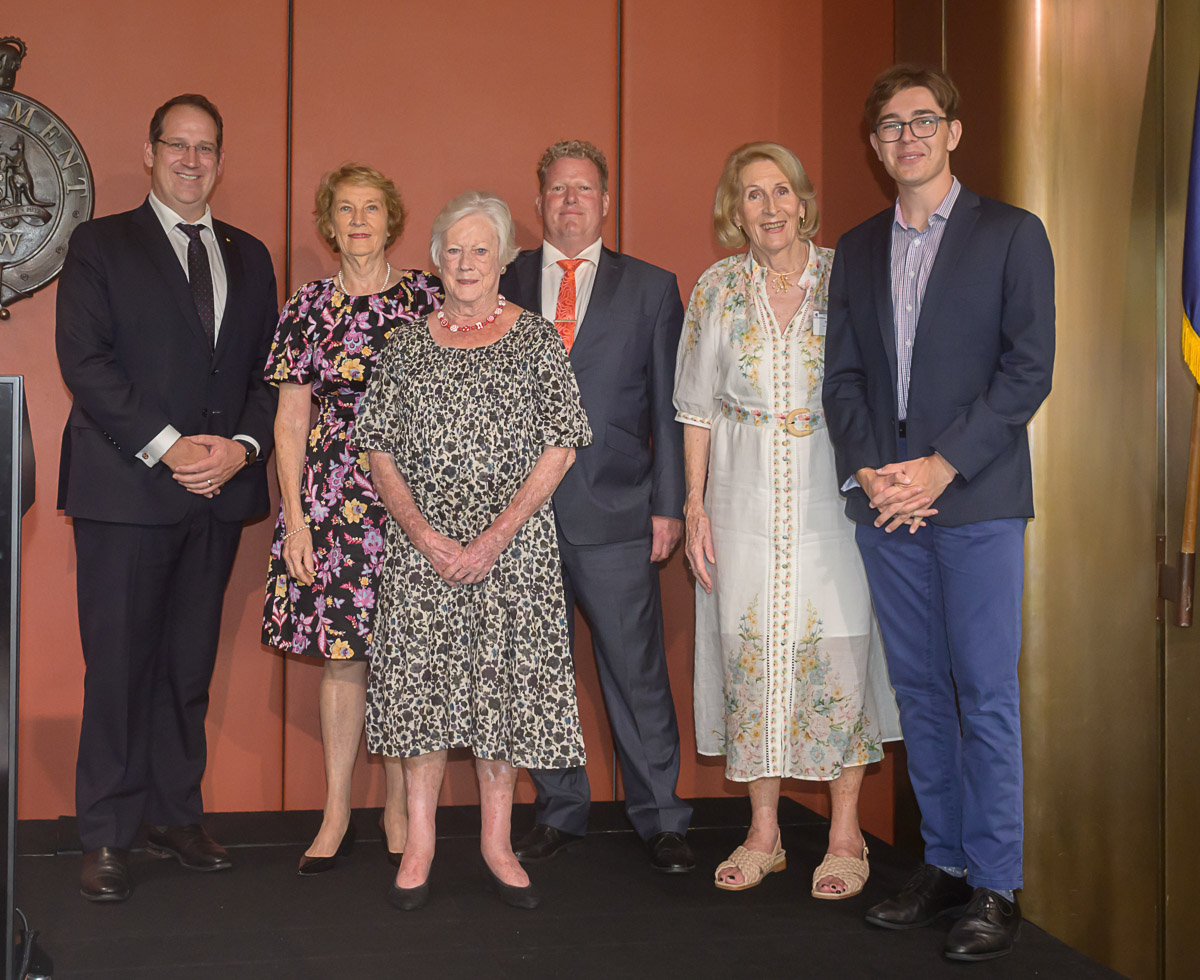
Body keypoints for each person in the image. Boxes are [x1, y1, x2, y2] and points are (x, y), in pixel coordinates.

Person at [823, 65, 1054, 961]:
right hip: (888, 507)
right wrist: (874, 471)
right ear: (875, 146)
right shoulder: (857, 244)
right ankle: (947, 863)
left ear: (954, 132)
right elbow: (842, 378)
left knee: (985, 697)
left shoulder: (1012, 235)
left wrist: (941, 466)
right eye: (889, 126)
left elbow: (1027, 370)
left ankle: (997, 885)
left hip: (979, 501)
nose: (907, 137)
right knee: (920, 693)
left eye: (923, 121)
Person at [55, 94, 279, 902]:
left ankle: (173, 814)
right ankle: (108, 833)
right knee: (118, 668)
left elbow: (265, 376)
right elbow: (86, 363)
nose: (191, 160)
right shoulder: (98, 244)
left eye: (206, 147)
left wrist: (241, 449)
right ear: (149, 153)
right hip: (127, 491)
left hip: (216, 495)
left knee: (186, 668)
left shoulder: (250, 255)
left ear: (222, 158)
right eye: (176, 146)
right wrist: (171, 446)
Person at [674, 142, 900, 898]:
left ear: (803, 201)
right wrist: (695, 502)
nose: (768, 209)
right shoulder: (715, 288)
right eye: (751, 196)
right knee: (752, 657)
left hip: (832, 498)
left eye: (780, 192)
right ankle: (764, 832)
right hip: (738, 499)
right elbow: (695, 409)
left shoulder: (851, 277)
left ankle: (845, 835)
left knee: (839, 655)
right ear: (733, 211)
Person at [355, 191, 592, 911]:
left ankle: (497, 841)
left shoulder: (534, 339)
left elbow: (563, 442)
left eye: (480, 249)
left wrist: (494, 537)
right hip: (420, 556)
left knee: (500, 700)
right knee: (424, 699)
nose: (465, 262)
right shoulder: (406, 342)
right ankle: (420, 842)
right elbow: (376, 447)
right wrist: (427, 537)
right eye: (453, 249)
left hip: (510, 555)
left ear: (504, 259)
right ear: (435, 258)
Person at [499, 140, 694, 874]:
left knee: (635, 671)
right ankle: (558, 809)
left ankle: (664, 818)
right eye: (557, 190)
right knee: (537, 671)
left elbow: (669, 412)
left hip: (616, 511)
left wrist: (669, 505)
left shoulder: (650, 288)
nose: (571, 201)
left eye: (584, 189)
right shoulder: (502, 276)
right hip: (516, 518)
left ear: (606, 202)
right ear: (539, 201)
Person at [261, 164, 442, 874]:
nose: (360, 220)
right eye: (346, 209)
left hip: (414, 501)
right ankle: (337, 810)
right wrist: (297, 521)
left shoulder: (427, 298)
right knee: (343, 658)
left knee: (404, 654)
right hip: (334, 499)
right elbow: (288, 422)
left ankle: (400, 807)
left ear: (392, 220)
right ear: (328, 224)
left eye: (372, 208)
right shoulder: (306, 307)